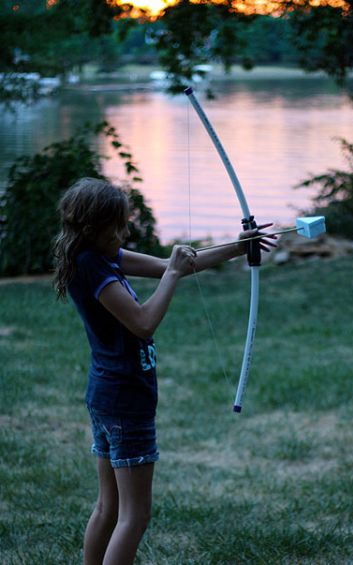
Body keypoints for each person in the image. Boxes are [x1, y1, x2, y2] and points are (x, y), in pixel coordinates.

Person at [53, 177, 275, 565]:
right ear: (93, 227)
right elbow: (143, 322)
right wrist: (172, 275)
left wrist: (239, 248)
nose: (124, 232)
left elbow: (171, 265)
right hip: (125, 401)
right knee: (134, 516)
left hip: (108, 396)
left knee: (109, 506)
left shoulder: (95, 255)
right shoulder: (94, 268)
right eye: (117, 226)